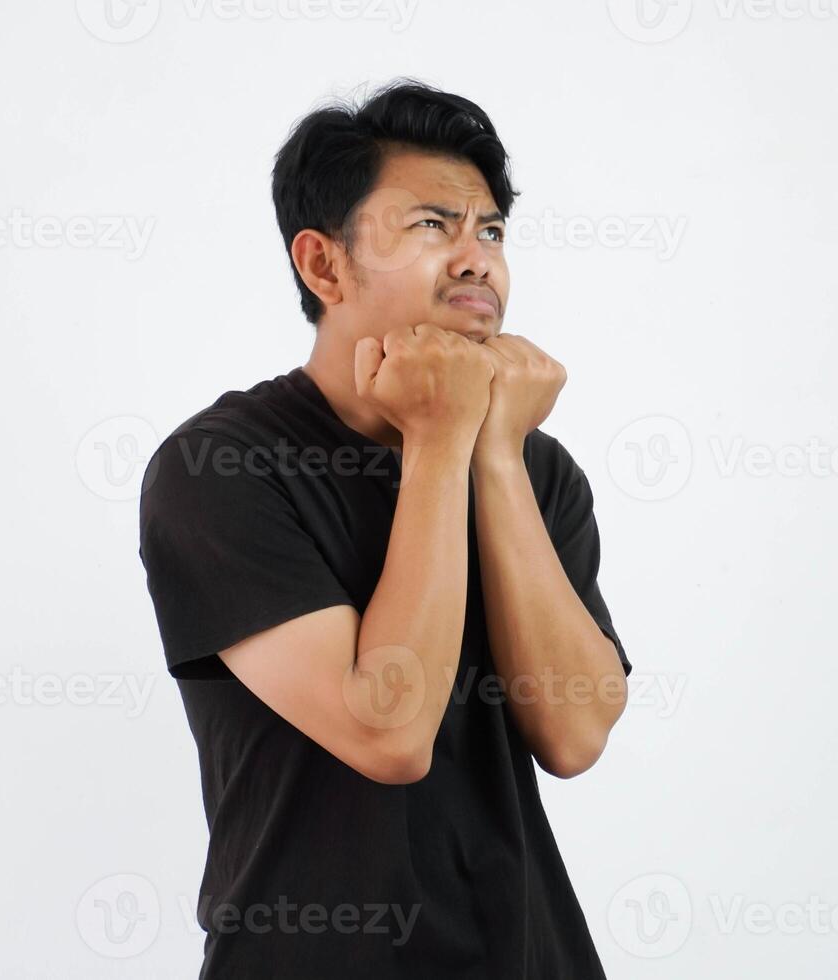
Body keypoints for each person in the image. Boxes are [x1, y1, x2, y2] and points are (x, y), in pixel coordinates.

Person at [137, 78, 632, 979]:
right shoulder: (223, 468)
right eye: (432, 227)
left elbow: (575, 734)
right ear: (324, 266)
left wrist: (495, 457)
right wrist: (442, 438)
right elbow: (388, 733)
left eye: (491, 231)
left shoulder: (532, 464)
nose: (477, 259)